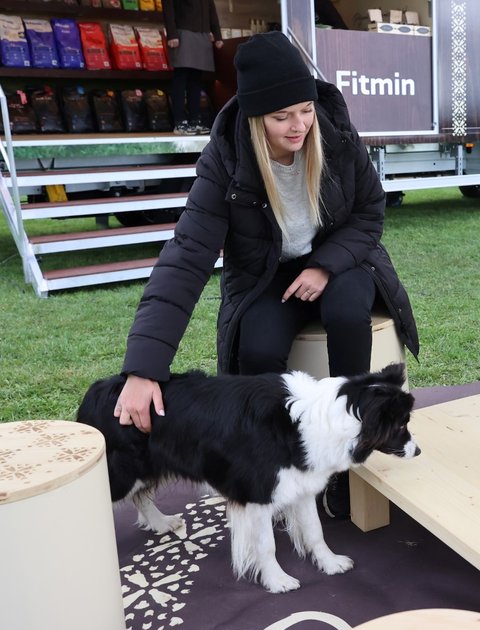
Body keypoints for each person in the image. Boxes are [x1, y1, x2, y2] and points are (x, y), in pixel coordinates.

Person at [114, 32, 419, 511]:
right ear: (256, 117)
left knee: (345, 312)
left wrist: (324, 265)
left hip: (341, 259)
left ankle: (345, 451)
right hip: (266, 274)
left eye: (304, 109)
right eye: (281, 117)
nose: (298, 125)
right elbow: (186, 257)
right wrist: (143, 369)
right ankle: (275, 458)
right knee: (256, 347)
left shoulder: (335, 132)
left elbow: (370, 211)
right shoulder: (225, 161)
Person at [163, 0, 223, 135]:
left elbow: (211, 10)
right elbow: (168, 8)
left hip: (202, 34)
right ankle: (180, 122)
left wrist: (217, 34)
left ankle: (195, 120)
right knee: (181, 76)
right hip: (182, 33)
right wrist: (172, 34)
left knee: (196, 79)